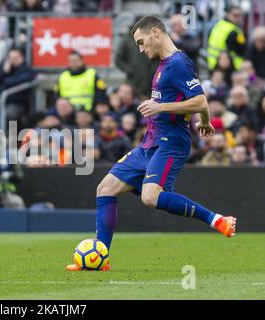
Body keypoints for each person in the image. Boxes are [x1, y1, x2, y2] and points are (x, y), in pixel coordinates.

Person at [66, 16, 237, 272]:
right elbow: (200, 107)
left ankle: (218, 220)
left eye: (141, 42)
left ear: (155, 32)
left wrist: (164, 107)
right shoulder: (163, 65)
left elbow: (201, 100)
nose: (141, 49)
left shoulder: (178, 63)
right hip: (150, 143)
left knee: (150, 197)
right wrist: (205, 122)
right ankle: (101, 258)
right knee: (105, 188)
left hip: (171, 142)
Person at [207, 5, 246, 71]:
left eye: (240, 16)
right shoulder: (234, 31)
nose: (237, 18)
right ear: (228, 14)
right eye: (235, 15)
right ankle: (253, 79)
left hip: (212, 62)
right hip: (229, 65)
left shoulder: (219, 24)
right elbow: (242, 49)